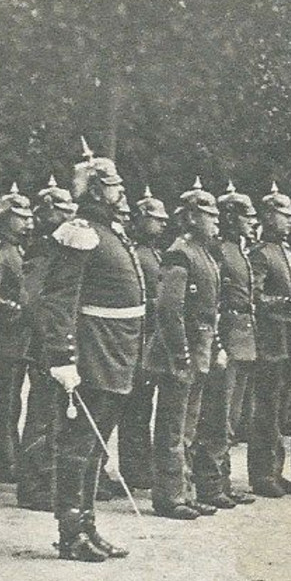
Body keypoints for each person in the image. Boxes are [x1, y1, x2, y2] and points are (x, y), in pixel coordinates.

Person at [37, 141, 146, 562]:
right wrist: (62, 357)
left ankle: (88, 526)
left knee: (97, 447)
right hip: (93, 352)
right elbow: (58, 299)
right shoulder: (80, 232)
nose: (123, 194)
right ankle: (70, 533)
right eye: (115, 187)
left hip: (117, 351)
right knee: (79, 444)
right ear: (97, 190)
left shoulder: (111, 232)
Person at [143, 182, 222, 520]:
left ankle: (184, 491)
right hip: (181, 352)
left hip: (198, 350)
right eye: (209, 216)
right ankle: (169, 496)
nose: (216, 222)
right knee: (173, 428)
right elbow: (169, 310)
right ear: (191, 218)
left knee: (188, 427)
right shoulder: (180, 253)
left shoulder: (202, 252)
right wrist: (181, 354)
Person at [190, 184, 260, 509]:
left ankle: (223, 481)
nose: (252, 221)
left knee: (231, 415)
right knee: (217, 415)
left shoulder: (239, 249)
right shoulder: (218, 250)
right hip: (227, 335)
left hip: (243, 336)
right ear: (231, 219)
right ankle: (209, 484)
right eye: (246, 216)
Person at [15, 176, 79, 510]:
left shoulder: (58, 246)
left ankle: (47, 479)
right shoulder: (43, 247)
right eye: (64, 210)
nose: (70, 216)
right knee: (42, 414)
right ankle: (33, 485)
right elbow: (34, 300)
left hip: (55, 339)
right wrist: (50, 340)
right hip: (45, 343)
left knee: (57, 415)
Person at [247, 184, 291, 496]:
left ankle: (276, 469)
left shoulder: (286, 252)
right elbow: (255, 298)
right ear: (269, 217)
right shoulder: (260, 254)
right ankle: (262, 475)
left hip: (289, 341)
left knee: (281, 409)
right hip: (270, 342)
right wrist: (290, 304)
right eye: (285, 215)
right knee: (267, 411)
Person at [116, 187, 168, 495]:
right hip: (139, 338)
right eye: (155, 219)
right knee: (133, 407)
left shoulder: (153, 254)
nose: (162, 224)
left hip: (150, 339)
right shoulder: (138, 254)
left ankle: (138, 465)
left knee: (141, 406)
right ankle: (133, 467)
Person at [0, 183, 33, 483]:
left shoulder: (16, 250)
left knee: (13, 400)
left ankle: (9, 456)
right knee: (2, 401)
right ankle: (1, 461)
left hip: (18, 338)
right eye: (19, 215)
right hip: (4, 337)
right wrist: (15, 307)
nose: (26, 220)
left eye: (27, 215)